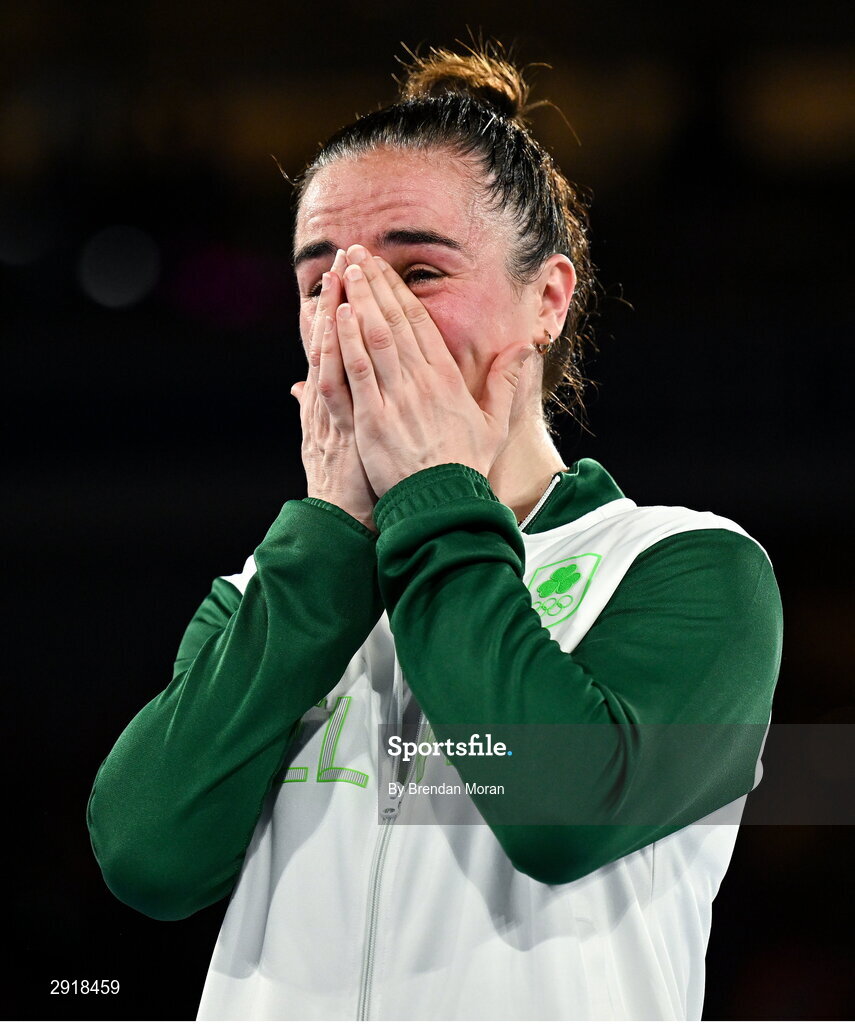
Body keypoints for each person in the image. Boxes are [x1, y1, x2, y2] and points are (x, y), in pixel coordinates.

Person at [86, 41, 783, 1021]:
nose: (360, 318)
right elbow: (146, 857)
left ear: (547, 298)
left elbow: (559, 806)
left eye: (416, 272)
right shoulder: (271, 587)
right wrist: (329, 533)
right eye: (319, 282)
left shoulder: (683, 564)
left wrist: (434, 490)